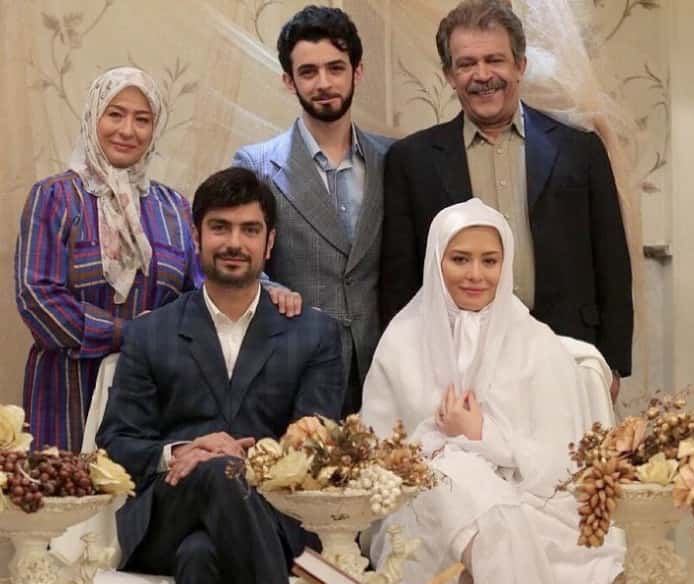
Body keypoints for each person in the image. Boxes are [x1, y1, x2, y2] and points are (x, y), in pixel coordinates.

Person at [96, 166, 344, 584]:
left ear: (270, 243)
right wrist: (180, 452)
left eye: (249, 230)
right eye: (220, 227)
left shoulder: (315, 335)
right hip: (167, 515)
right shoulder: (152, 333)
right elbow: (117, 442)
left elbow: (316, 443)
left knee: (202, 555)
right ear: (196, 236)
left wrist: (251, 457)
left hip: (273, 520)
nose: (234, 242)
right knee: (214, 471)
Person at [362, 199, 622, 584]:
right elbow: (378, 457)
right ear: (436, 261)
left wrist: (481, 436)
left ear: (507, 264)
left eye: (490, 260)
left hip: (526, 502)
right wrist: (443, 444)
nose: (475, 275)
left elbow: (561, 462)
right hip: (417, 508)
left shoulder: (536, 342)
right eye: (460, 259)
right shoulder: (401, 341)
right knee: (455, 478)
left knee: (474, 504)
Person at [379, 0, 633, 400]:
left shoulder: (580, 149)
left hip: (568, 352)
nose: (482, 75)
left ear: (520, 65)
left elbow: (612, 261)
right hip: (458, 368)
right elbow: (400, 280)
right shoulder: (411, 161)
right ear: (449, 75)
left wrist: (612, 362)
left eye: (495, 60)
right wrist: (407, 371)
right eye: (466, 64)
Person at [15, 67, 200, 452]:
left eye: (142, 119)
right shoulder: (55, 197)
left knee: (140, 487)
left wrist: (269, 291)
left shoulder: (175, 208)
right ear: (93, 116)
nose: (127, 130)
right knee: (70, 488)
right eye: (115, 114)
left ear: (155, 129)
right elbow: (38, 298)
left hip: (151, 396)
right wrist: (128, 334)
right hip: (67, 394)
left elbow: (201, 293)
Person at [233, 5, 392, 415]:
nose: (323, 83)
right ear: (289, 80)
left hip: (384, 365)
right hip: (293, 366)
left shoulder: (393, 160)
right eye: (308, 72)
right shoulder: (256, 165)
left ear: (357, 71)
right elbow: (235, 262)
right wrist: (271, 290)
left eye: (335, 68)